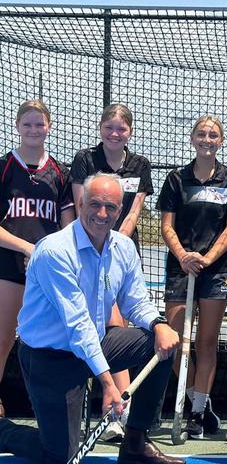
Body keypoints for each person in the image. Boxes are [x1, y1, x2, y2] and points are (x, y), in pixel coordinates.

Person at [0, 173, 183, 464]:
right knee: (59, 456)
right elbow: (78, 325)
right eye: (95, 204)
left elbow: (135, 302)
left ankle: (135, 442)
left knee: (160, 344)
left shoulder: (123, 248)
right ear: (81, 203)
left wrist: (159, 324)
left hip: (94, 345)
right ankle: (2, 431)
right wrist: (109, 383)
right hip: (49, 359)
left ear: (119, 210)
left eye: (110, 207)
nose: (102, 213)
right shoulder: (54, 251)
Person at [158, 115, 227, 439]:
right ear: (193, 139)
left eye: (213, 135)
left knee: (206, 342)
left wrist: (207, 259)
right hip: (181, 267)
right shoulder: (176, 180)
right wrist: (184, 256)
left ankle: (196, 411)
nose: (207, 139)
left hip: (216, 269)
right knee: (175, 341)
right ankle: (194, 395)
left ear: (220, 141)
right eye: (201, 134)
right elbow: (167, 225)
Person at [70, 104, 154, 441]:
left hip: (121, 253)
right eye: (109, 128)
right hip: (89, 250)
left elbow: (133, 211)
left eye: (121, 129)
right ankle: (111, 402)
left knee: (120, 325)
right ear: (101, 128)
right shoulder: (85, 160)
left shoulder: (140, 166)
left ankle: (117, 407)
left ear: (129, 132)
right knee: (105, 323)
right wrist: (98, 242)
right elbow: (82, 205)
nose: (114, 134)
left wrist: (115, 242)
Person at [0, 100, 75, 417]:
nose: (33, 130)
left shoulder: (59, 172)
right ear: (18, 127)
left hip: (47, 268)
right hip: (9, 264)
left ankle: (50, 406)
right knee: (3, 336)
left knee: (49, 338)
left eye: (39, 124)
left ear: (49, 127)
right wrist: (28, 248)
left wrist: (46, 252)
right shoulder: (3, 167)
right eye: (28, 124)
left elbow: (68, 225)